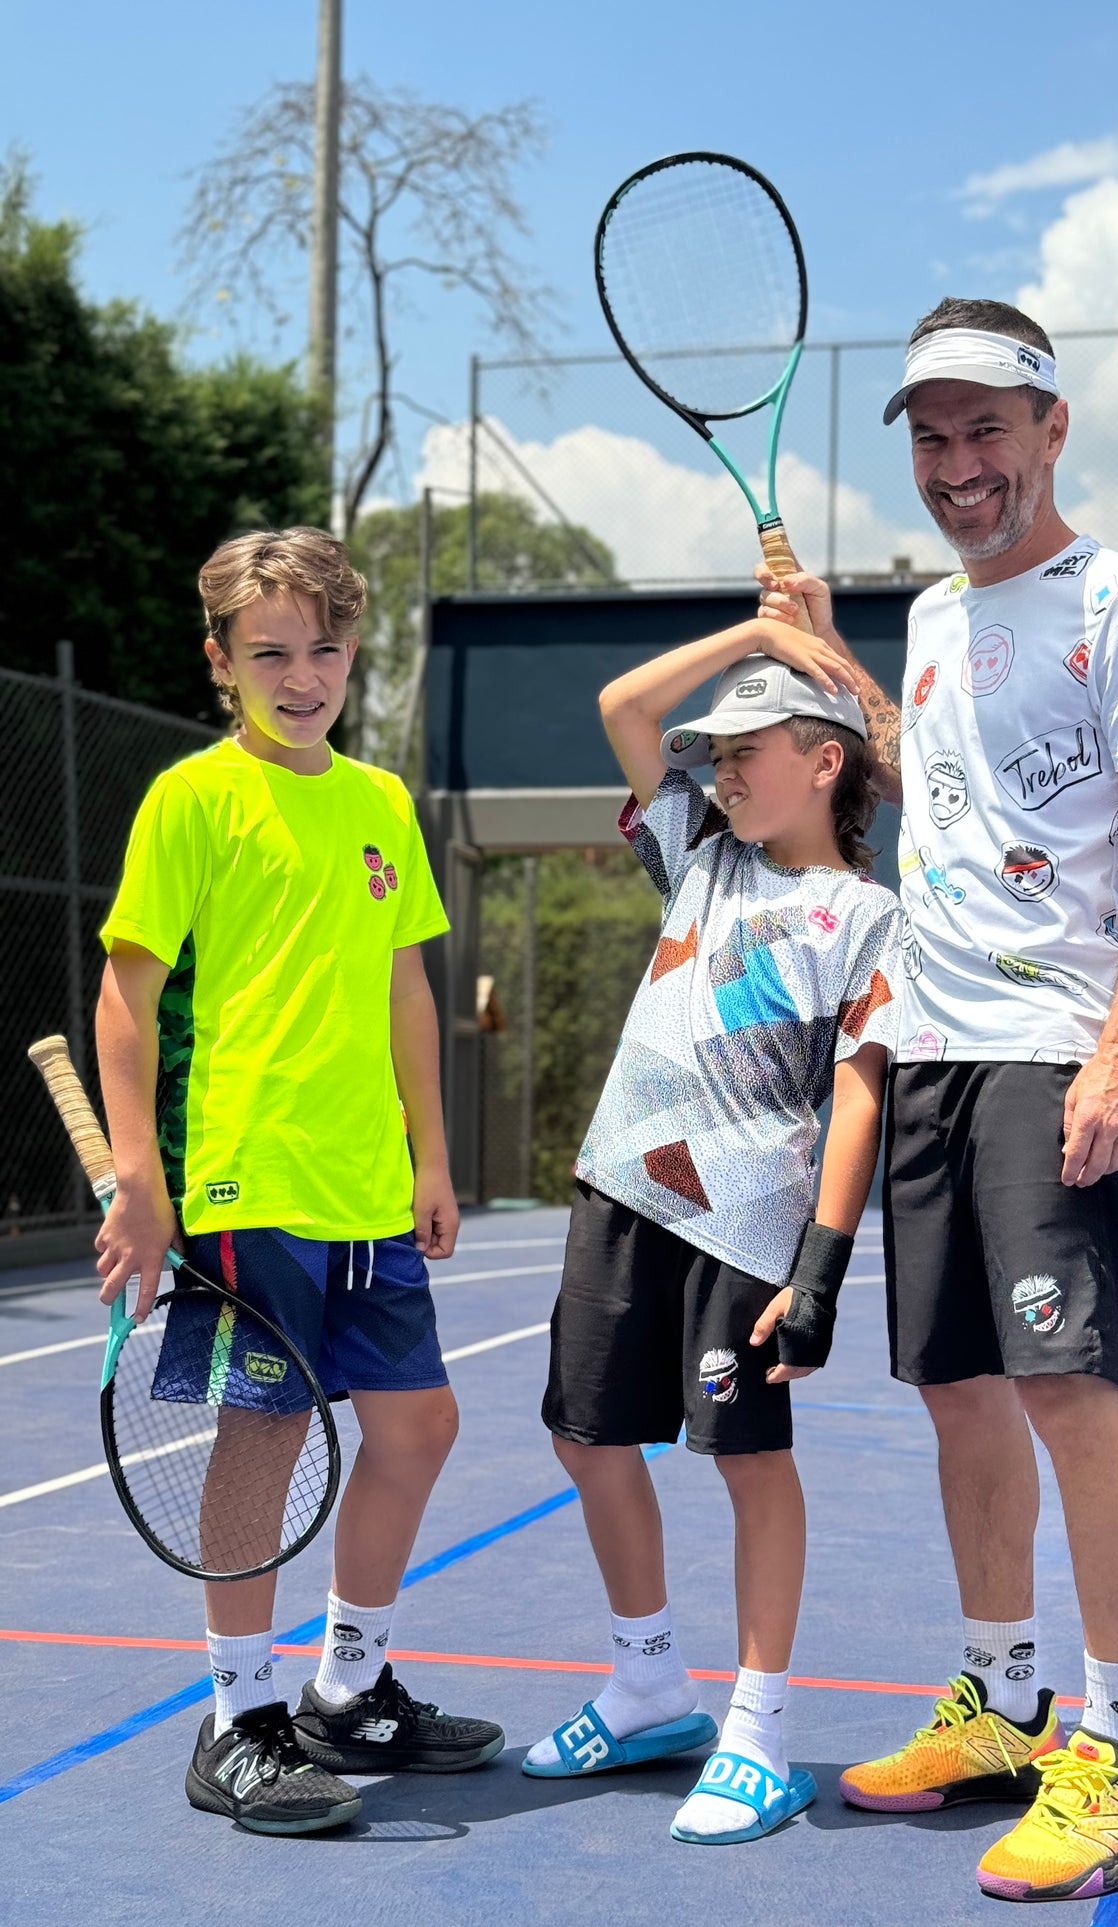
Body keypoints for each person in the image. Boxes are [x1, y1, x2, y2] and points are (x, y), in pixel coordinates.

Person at [758, 298, 1118, 1902]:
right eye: (933, 436)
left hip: (1053, 1051)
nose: (959, 463)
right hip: (934, 1046)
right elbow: (938, 774)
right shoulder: (943, 615)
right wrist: (826, 647)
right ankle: (1003, 1696)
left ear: (1048, 428)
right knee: (959, 1386)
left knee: (1068, 1390)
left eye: (985, 429)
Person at [94, 527, 502, 1835]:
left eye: (324, 646)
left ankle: (348, 1685)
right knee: (263, 1430)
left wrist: (433, 1155)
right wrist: (142, 1178)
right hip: (249, 1179)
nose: (301, 671)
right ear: (221, 659)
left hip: (368, 1184)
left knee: (418, 1423)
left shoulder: (381, 804)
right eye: (269, 649)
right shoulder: (193, 798)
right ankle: (237, 1716)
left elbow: (404, 990)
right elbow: (127, 994)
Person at [522, 619, 903, 1846]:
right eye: (717, 755)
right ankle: (647, 1686)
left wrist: (823, 1271)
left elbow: (858, 1093)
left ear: (826, 761)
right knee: (585, 1435)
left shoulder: (863, 915)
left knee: (746, 1463)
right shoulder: (697, 855)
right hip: (618, 1188)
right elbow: (623, 707)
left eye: (748, 751)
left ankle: (755, 1729)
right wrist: (758, 630)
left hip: (743, 1225)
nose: (720, 771)